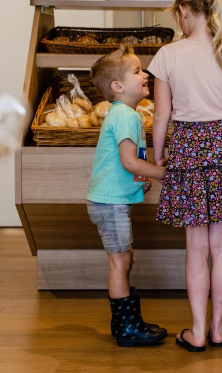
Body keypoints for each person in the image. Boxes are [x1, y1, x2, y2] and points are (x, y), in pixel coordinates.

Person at [149, 0, 222, 352]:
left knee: (195, 248)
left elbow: (161, 116)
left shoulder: (167, 55)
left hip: (187, 150)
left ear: (183, 10)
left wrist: (160, 153)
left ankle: (196, 331)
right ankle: (217, 328)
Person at [86, 44, 169, 347]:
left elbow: (127, 165)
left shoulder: (127, 115)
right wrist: (163, 174)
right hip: (110, 202)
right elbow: (129, 161)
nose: (145, 74)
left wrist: (139, 180)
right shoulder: (126, 116)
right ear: (117, 86)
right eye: (137, 71)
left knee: (124, 258)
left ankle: (128, 321)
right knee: (120, 262)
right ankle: (126, 328)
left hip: (111, 199)